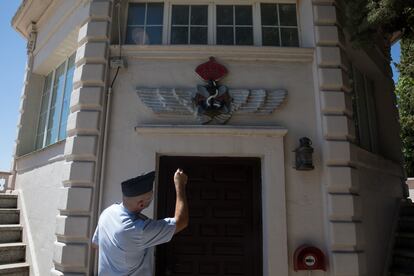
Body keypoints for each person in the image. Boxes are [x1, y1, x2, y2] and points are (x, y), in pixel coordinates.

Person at [92, 169, 189, 276]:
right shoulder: (138, 230)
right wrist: (180, 185)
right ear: (141, 204)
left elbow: (96, 244)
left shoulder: (107, 213)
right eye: (151, 197)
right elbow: (181, 222)